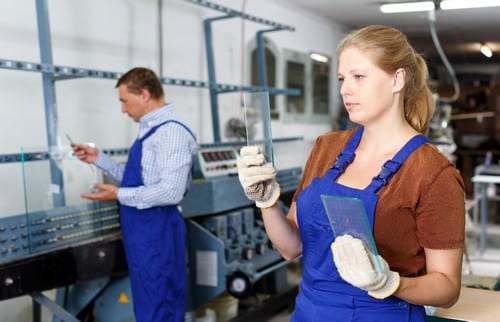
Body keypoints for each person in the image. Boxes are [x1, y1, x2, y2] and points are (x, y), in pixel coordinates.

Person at [238, 25, 465, 321]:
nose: (346, 89)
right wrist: (267, 203)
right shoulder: (326, 148)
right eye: (343, 79)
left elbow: (447, 288)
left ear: (397, 79)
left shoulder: (432, 172)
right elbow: (290, 248)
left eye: (359, 77)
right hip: (309, 312)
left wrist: (391, 283)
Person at [72, 67, 197, 322]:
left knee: (159, 306)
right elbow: (139, 179)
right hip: (144, 235)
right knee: (150, 304)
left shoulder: (170, 132)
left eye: (124, 101)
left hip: (157, 234)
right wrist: (99, 159)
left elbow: (169, 192)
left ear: (144, 94)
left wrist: (119, 195)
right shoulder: (151, 130)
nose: (123, 110)